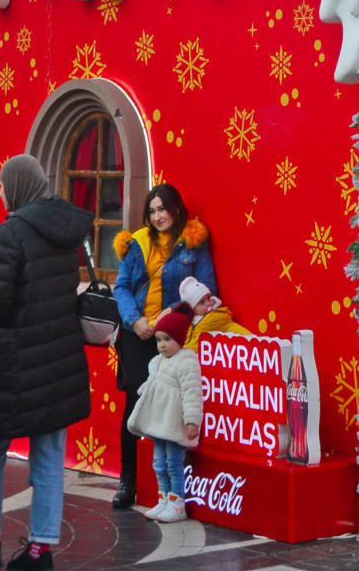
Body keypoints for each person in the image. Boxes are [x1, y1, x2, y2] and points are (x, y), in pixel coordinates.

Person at [0, 154, 93, 571]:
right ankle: (40, 552)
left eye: (2, 184)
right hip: (59, 356)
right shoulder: (67, 228)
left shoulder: (12, 230)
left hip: (15, 359)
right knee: (49, 455)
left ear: (17, 186)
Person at [111, 184, 215, 509]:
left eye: (162, 209)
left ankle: (170, 492)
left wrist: (174, 314)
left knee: (173, 408)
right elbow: (121, 287)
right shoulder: (137, 242)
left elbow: (206, 289)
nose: (157, 216)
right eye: (152, 211)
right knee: (135, 404)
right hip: (138, 334)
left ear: (176, 209)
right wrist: (135, 320)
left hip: (174, 338)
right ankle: (128, 481)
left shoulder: (193, 241)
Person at [126, 306, 202, 522]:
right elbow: (152, 385)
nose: (162, 344)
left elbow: (192, 393)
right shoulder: (157, 362)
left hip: (175, 425)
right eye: (159, 340)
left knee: (173, 464)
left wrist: (192, 420)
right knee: (159, 464)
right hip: (159, 424)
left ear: (180, 338)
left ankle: (177, 504)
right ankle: (164, 499)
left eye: (167, 339)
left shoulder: (187, 362)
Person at [179, 276, 249, 348]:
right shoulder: (190, 322)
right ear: (191, 309)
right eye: (202, 302)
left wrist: (251, 338)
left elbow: (233, 328)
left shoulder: (214, 318)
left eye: (208, 298)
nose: (208, 303)